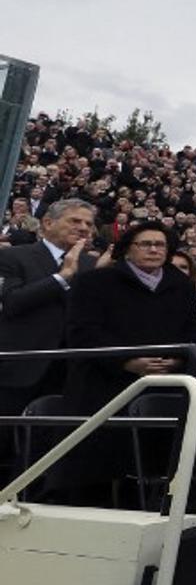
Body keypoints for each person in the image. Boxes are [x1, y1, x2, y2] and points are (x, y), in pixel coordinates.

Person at [58, 221, 196, 508]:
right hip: (103, 388)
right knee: (95, 478)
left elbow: (193, 331)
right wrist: (127, 362)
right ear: (127, 250)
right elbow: (82, 333)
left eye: (160, 244)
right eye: (145, 244)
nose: (154, 250)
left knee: (152, 473)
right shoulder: (95, 282)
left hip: (163, 385)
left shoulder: (180, 285)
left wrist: (176, 359)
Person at [0, 198, 101, 475]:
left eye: (89, 224)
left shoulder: (94, 266)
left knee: (51, 452)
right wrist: (64, 276)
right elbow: (11, 303)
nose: (83, 228)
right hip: (19, 369)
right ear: (47, 223)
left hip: (71, 372)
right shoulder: (13, 257)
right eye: (75, 221)